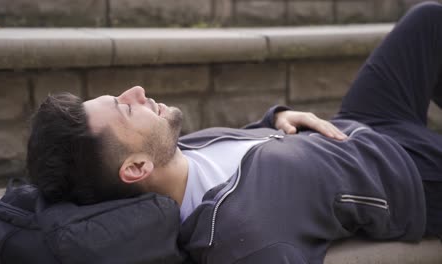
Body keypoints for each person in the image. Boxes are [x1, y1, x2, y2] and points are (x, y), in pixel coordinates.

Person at [27, 2, 442, 263]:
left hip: (361, 121)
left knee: (429, 19)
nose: (135, 91)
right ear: (136, 167)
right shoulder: (238, 234)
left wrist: (278, 116)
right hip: (406, 175)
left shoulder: (175, 151)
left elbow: (249, 151)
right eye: (123, 108)